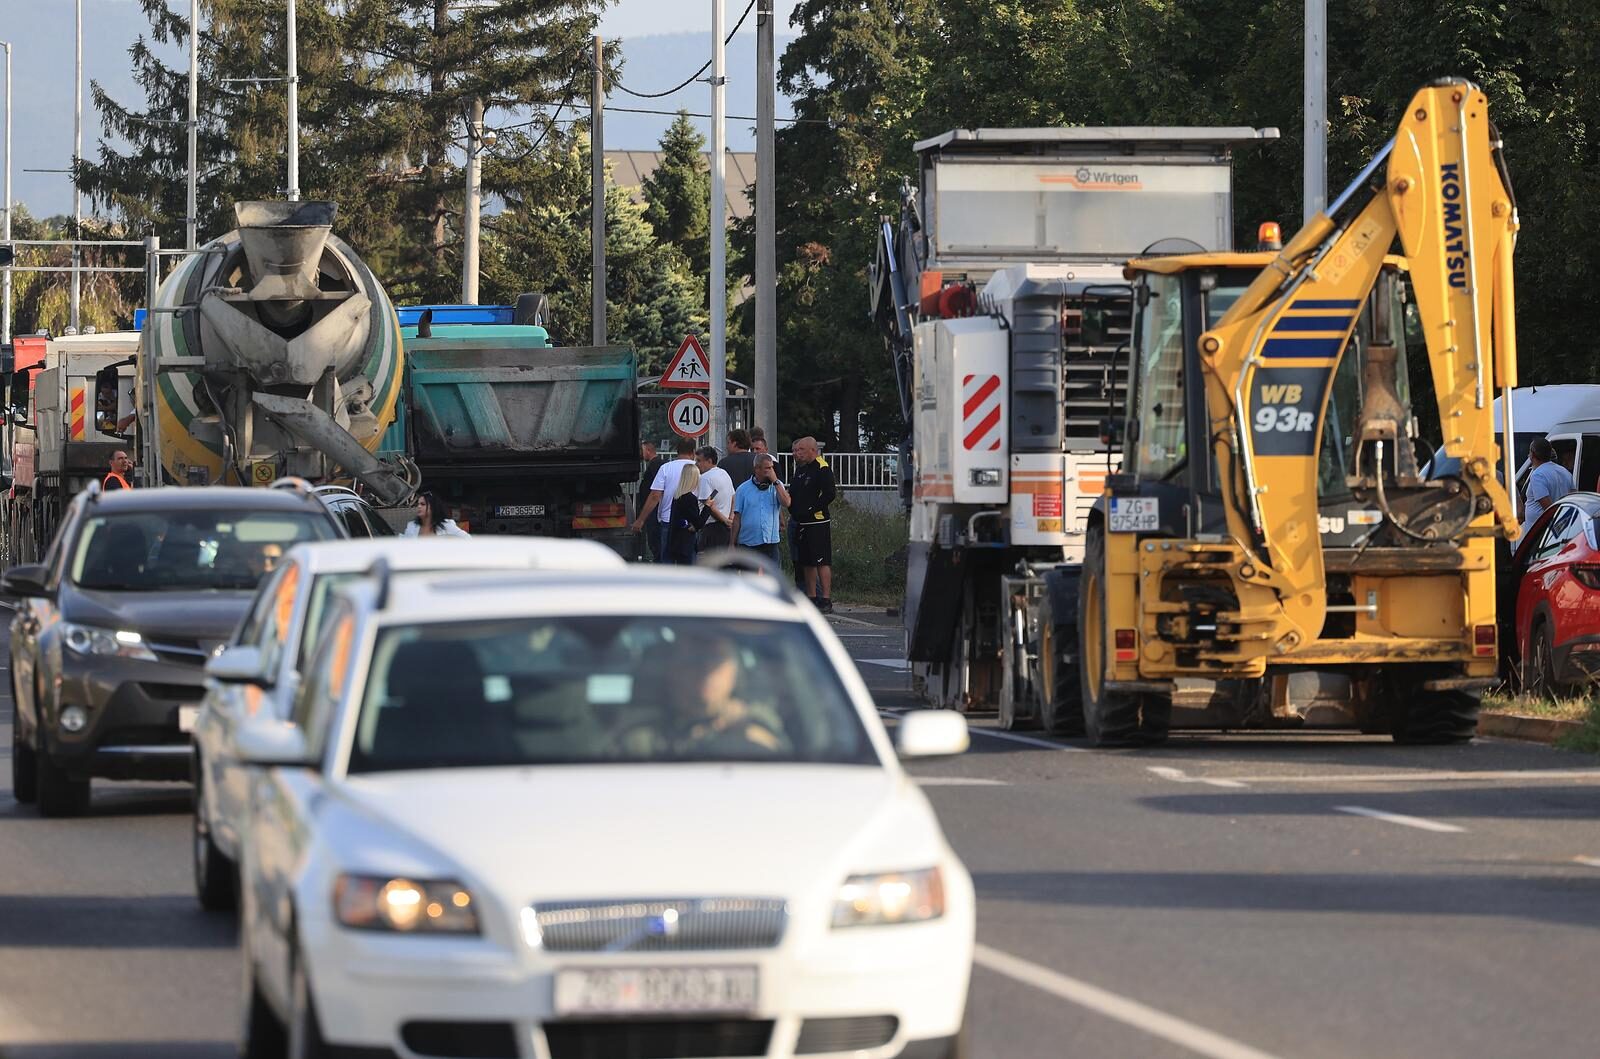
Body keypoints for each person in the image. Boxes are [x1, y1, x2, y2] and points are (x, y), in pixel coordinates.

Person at [622, 638, 783, 756]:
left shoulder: (757, 721)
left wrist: (744, 732)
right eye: (693, 660)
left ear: (736, 672)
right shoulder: (641, 736)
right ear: (671, 671)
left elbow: (784, 769)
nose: (706, 670)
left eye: (716, 659)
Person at [789, 436, 837, 612]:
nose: (796, 453)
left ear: (812, 450)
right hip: (801, 521)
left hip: (817, 521)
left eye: (800, 450)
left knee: (821, 560)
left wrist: (811, 509)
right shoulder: (800, 470)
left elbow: (830, 494)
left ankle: (825, 599)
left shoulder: (822, 468)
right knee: (806, 562)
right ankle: (811, 597)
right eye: (795, 450)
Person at [632, 436, 697, 561]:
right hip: (691, 522)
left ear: (677, 451)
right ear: (693, 452)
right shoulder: (698, 468)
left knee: (667, 558)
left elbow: (655, 496)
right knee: (689, 560)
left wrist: (641, 519)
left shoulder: (666, 468)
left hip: (668, 520)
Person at [732, 452, 790, 564]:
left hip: (770, 542)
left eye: (772, 467)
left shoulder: (777, 486)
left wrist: (776, 482)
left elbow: (786, 503)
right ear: (757, 469)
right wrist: (732, 544)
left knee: (772, 578)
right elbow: (737, 518)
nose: (771, 471)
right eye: (767, 468)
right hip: (748, 543)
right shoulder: (743, 489)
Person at [1522, 436, 1576, 536]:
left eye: (1529, 452)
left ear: (1532, 454)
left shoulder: (1537, 475)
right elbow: (1573, 499)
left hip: (1541, 534)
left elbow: (1548, 508)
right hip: (1558, 532)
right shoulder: (1564, 471)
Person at [666, 464, 713, 564]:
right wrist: (708, 507)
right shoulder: (689, 498)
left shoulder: (677, 496)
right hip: (686, 545)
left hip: (676, 543)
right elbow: (699, 523)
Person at [695, 446, 735, 551]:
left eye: (699, 461)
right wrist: (730, 517)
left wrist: (725, 521)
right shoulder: (724, 473)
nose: (696, 464)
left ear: (709, 461)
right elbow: (733, 496)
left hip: (712, 527)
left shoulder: (705, 478)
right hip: (725, 528)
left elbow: (708, 504)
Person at [637, 441, 666, 560]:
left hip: (653, 509)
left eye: (642, 450)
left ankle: (658, 559)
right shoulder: (655, 464)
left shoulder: (656, 465)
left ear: (648, 450)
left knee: (654, 537)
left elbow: (656, 491)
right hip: (652, 508)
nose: (640, 453)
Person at [404, 491, 470, 537]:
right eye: (417, 504)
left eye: (423, 504)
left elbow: (467, 538)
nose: (419, 506)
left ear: (433, 507)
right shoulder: (411, 526)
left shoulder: (447, 525)